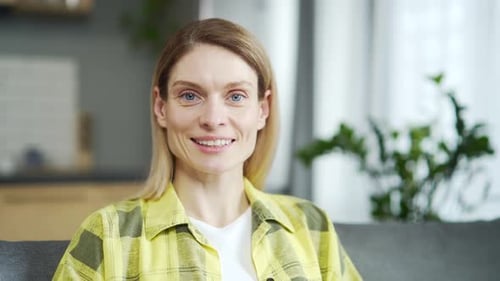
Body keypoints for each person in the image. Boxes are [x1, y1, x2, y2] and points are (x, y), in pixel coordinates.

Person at [53, 18, 363, 281]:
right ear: (161, 108)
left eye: (236, 96)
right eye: (190, 96)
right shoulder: (108, 234)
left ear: (262, 109)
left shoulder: (310, 225)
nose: (213, 120)